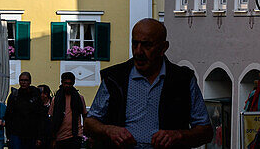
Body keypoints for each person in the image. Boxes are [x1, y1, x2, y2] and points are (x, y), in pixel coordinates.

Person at [84, 19, 212, 149]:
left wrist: (178, 135)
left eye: (147, 45)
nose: (138, 51)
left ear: (163, 48)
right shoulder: (114, 78)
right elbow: (89, 123)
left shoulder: (183, 79)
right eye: (135, 44)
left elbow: (206, 131)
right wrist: (108, 130)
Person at [5, 72, 48, 149]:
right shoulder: (14, 96)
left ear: (30, 82)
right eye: (21, 80)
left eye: (26, 80)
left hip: (31, 134)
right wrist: (9, 135)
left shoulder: (36, 96)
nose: (23, 82)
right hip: (16, 134)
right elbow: (8, 116)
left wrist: (40, 137)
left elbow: (41, 117)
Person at [49, 72, 86, 149]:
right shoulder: (55, 100)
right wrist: (53, 138)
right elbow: (52, 119)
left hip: (75, 135)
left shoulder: (79, 98)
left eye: (70, 83)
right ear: (62, 83)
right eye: (66, 83)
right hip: (60, 136)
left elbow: (85, 116)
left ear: (73, 83)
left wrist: (86, 133)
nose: (68, 86)